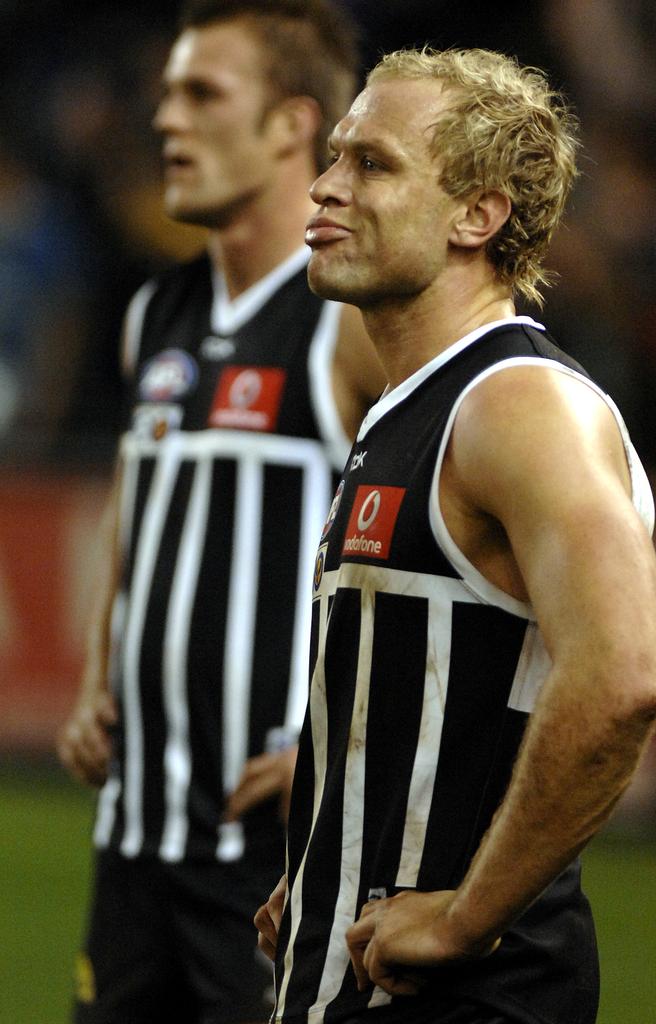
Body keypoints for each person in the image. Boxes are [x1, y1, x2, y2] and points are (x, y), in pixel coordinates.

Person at [255, 47, 656, 1024]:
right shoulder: (410, 406)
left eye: (373, 164)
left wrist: (464, 917)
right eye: (333, 156)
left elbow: (625, 676)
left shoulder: (517, 405)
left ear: (477, 216)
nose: (324, 186)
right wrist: (329, 865)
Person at [57, 2, 384, 1022]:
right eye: (166, 92)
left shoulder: (349, 322)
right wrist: (91, 674)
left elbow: (444, 547)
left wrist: (347, 752)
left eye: (201, 93)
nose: (165, 119)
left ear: (293, 124)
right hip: (134, 841)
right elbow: (138, 507)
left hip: (264, 867)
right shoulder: (155, 312)